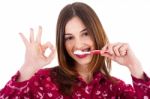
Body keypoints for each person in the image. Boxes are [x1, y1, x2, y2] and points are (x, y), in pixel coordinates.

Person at [0, 2, 150, 99]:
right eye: (69, 37)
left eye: (85, 33)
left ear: (97, 34)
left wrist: (134, 67)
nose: (78, 45)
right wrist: (28, 68)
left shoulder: (116, 89)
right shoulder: (41, 82)